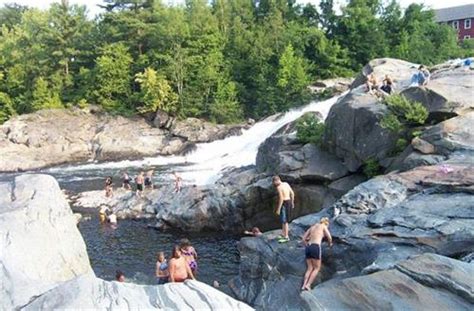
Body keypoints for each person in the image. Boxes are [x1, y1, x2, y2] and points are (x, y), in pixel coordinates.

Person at [301, 217, 333, 291]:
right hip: (315, 246)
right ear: (326, 223)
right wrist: (330, 244)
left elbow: (303, 239)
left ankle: (303, 285)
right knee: (316, 268)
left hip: (308, 247)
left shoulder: (312, 227)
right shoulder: (323, 226)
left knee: (309, 268)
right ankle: (308, 285)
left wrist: (307, 245)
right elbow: (329, 237)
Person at [272, 176, 294, 243]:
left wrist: (278, 209)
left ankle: (286, 237)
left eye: (274, 183)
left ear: (276, 181)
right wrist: (292, 202)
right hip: (289, 201)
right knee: (283, 219)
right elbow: (292, 193)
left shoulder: (279, 187)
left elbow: (281, 199)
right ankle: (283, 234)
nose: (274, 184)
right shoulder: (286, 184)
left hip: (284, 203)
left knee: (285, 220)